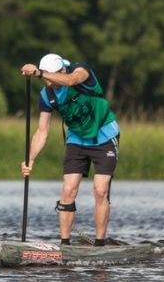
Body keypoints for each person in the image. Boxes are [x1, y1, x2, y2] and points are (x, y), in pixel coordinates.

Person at [21, 54, 120, 247]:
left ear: (62, 70)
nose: (49, 83)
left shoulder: (81, 72)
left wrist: (40, 73)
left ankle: (100, 244)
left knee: (100, 190)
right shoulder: (46, 95)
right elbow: (42, 131)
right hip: (76, 139)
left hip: (104, 135)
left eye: (51, 77)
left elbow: (71, 80)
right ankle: (64, 246)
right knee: (68, 190)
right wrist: (30, 159)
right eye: (46, 79)